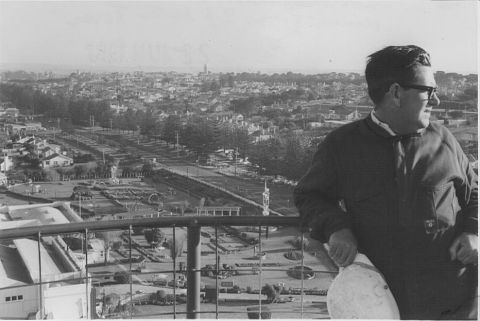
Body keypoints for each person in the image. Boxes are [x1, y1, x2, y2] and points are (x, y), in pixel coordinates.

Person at [293, 45, 477, 319]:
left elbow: (476, 193)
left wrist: (474, 231)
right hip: (381, 305)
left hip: (453, 305)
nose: (436, 101)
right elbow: (309, 196)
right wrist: (336, 227)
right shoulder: (342, 146)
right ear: (395, 93)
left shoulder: (445, 141)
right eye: (429, 91)